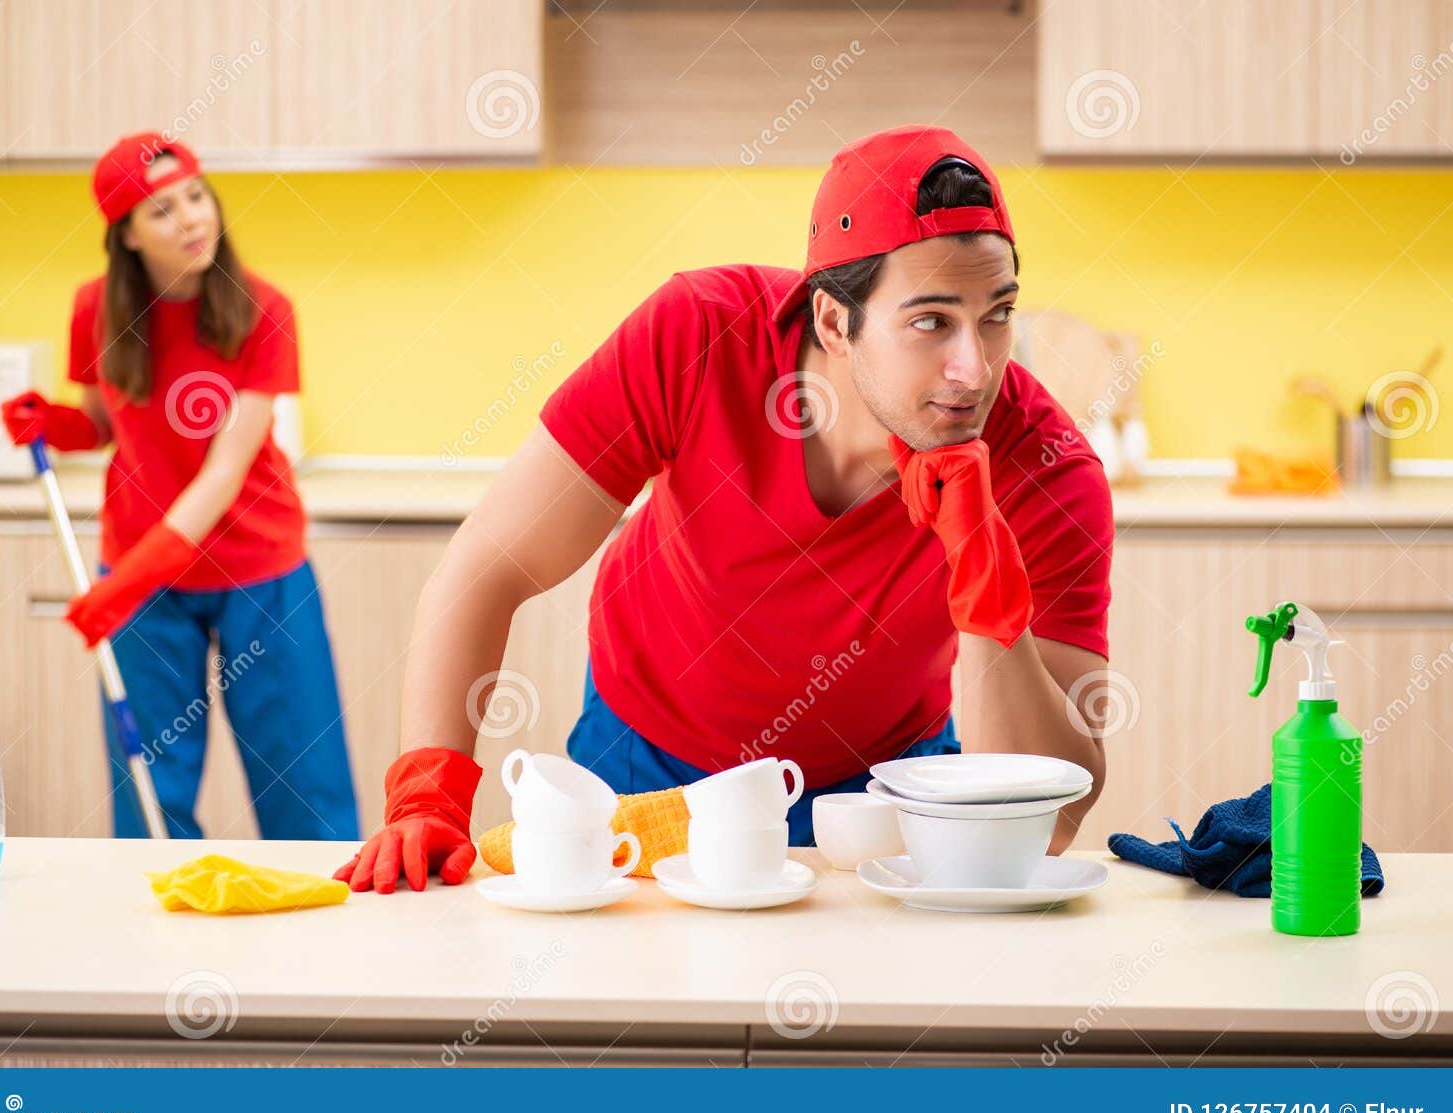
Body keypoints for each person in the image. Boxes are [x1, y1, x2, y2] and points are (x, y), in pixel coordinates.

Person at [335, 124, 1112, 894]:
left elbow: (1055, 822)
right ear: (835, 322)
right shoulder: (699, 335)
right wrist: (427, 795)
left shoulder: (1048, 470)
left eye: (998, 314)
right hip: (646, 757)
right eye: (931, 322)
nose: (973, 369)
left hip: (880, 792)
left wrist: (983, 575)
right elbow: (488, 567)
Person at [1, 132, 358, 842]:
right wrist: (55, 422)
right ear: (126, 235)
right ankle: (158, 941)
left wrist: (127, 582)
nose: (191, 219)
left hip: (259, 568)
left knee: (304, 785)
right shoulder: (95, 309)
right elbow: (105, 420)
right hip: (145, 570)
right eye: (161, 210)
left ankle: (325, 941)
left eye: (196, 196)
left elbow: (223, 474)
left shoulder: (264, 309)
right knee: (149, 791)